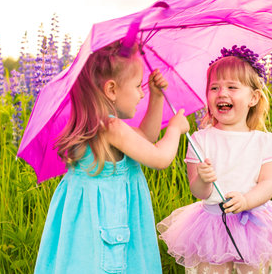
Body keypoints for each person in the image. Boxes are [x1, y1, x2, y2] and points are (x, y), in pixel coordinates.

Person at [34, 40, 190, 274]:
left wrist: (156, 98)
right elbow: (159, 158)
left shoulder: (93, 124)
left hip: (86, 231)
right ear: (111, 90)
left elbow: (144, 138)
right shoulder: (111, 126)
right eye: (138, 86)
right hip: (111, 224)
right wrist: (175, 130)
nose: (141, 94)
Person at [157, 45, 272, 274]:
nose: (221, 93)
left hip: (254, 223)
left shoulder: (263, 141)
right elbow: (198, 191)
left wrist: (246, 201)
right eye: (214, 87)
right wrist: (204, 180)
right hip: (212, 224)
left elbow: (268, 184)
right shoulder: (200, 140)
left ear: (253, 98)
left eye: (232, 87)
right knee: (211, 268)